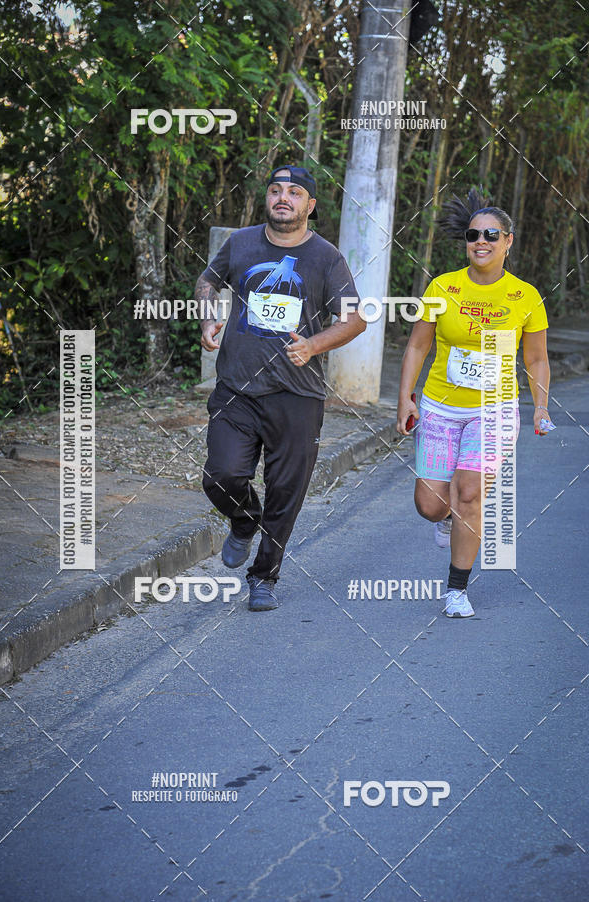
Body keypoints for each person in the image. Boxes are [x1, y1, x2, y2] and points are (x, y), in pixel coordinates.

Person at [196, 165, 366, 611]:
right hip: (236, 387)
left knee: (286, 491)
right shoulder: (241, 243)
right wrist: (208, 315)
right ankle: (243, 517)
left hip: (297, 395)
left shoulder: (326, 258)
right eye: (275, 190)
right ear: (267, 199)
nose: (282, 198)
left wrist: (313, 344)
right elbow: (208, 280)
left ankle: (264, 577)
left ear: (310, 205)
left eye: (294, 192)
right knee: (222, 474)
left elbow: (355, 318)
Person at [397, 189, 552, 618]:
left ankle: (456, 590)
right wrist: (405, 399)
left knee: (469, 493)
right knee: (430, 505)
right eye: (472, 235)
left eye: (490, 235)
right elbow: (416, 347)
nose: (480, 242)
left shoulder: (525, 297)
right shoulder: (442, 286)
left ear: (508, 241)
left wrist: (540, 406)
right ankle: (448, 521)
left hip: (496, 408)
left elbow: (536, 358)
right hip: (441, 406)